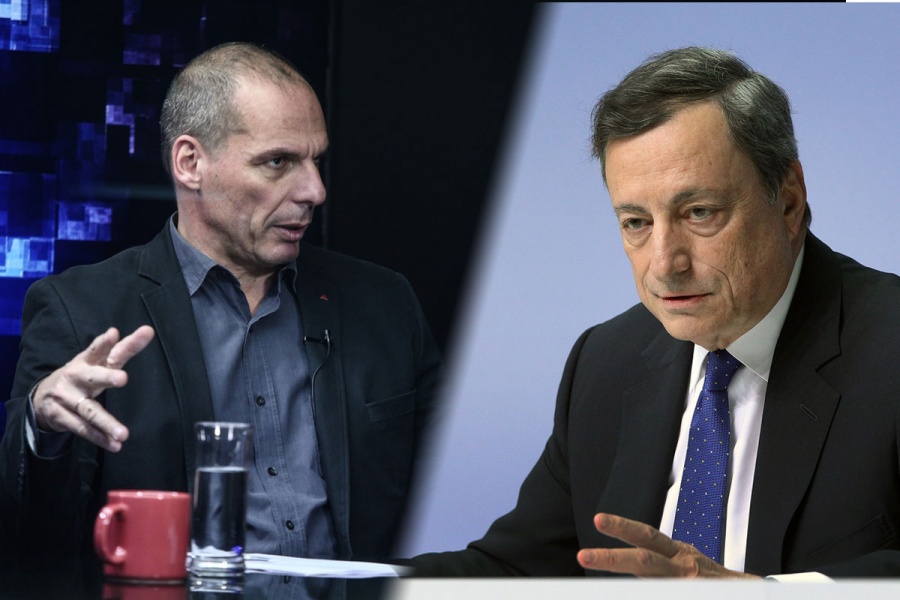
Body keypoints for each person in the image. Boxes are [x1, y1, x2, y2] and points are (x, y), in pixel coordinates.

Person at [409, 46, 900, 578]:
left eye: (699, 213)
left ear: (787, 201)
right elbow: (517, 570)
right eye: (636, 223)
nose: (665, 264)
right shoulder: (604, 361)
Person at [0, 42, 441, 562]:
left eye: (316, 161)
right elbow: (31, 528)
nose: (315, 190)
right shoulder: (83, 310)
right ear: (191, 163)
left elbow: (455, 490)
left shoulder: (384, 304)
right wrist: (41, 427)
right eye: (278, 162)